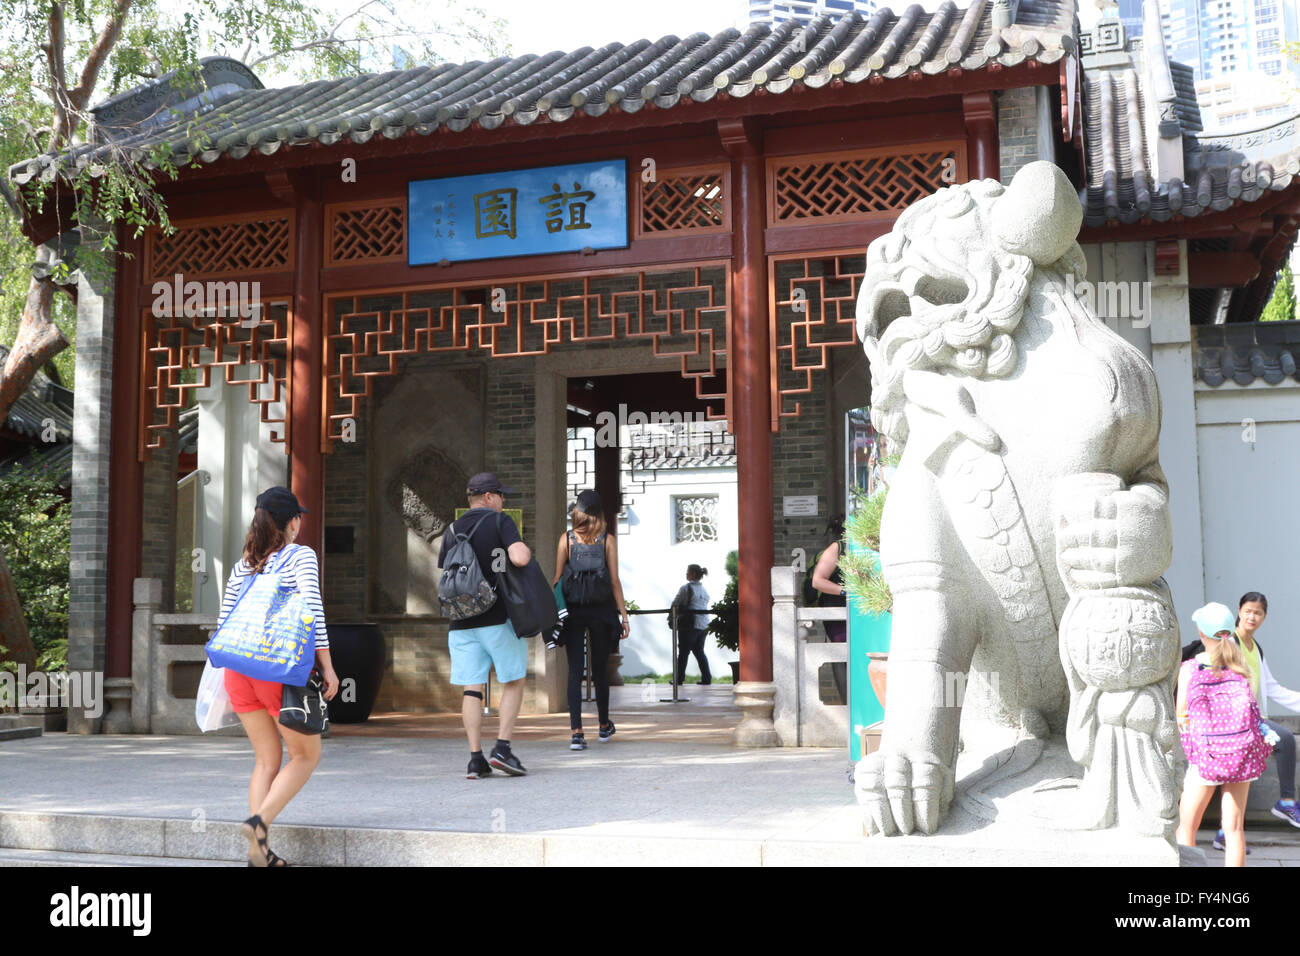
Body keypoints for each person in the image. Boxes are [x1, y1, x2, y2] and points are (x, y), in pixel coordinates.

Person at [218, 486, 339, 867]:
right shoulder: (300, 556)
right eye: (298, 517)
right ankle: (259, 823)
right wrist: (328, 665)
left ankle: (261, 854)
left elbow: (224, 622)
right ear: (292, 522)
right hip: (276, 668)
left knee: (266, 760)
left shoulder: (243, 564)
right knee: (306, 754)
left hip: (239, 669)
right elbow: (312, 609)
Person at [437, 473, 532, 779]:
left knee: (472, 688)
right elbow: (518, 558)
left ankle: (475, 758)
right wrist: (523, 552)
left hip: (461, 620)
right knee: (514, 679)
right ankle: (502, 749)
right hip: (497, 618)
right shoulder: (499, 521)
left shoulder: (452, 529)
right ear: (489, 497)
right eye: (502, 495)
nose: (504, 501)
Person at [1186, 592, 1300, 848]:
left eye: (1258, 613)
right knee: (1284, 738)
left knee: (1237, 784)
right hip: (1227, 727)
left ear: (1264, 617)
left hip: (1244, 724)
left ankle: (1226, 834)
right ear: (1238, 612)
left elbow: (1271, 688)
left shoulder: (1254, 647)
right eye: (1248, 611)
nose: (1252, 616)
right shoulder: (1227, 643)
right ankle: (1286, 802)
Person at [1175, 602, 1267, 867]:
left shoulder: (1190, 669)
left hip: (1206, 757)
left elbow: (1182, 715)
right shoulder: (1241, 668)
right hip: (1241, 754)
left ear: (1201, 633)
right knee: (1234, 829)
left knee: (1187, 826)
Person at [553, 489, 629, 750]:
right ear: (599, 514)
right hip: (601, 611)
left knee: (575, 671)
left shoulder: (567, 539)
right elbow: (615, 581)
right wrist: (624, 617)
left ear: (578, 512)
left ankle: (576, 733)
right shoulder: (608, 540)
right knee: (599, 672)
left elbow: (557, 579)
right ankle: (604, 726)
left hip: (573, 611)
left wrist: (553, 613)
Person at [671, 565, 711, 686]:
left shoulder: (686, 588)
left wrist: (670, 617)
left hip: (689, 624)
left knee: (683, 652)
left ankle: (678, 679)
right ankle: (706, 678)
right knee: (699, 652)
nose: (686, 574)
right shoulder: (704, 589)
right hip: (704, 624)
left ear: (693, 574)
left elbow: (675, 603)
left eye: (687, 572)